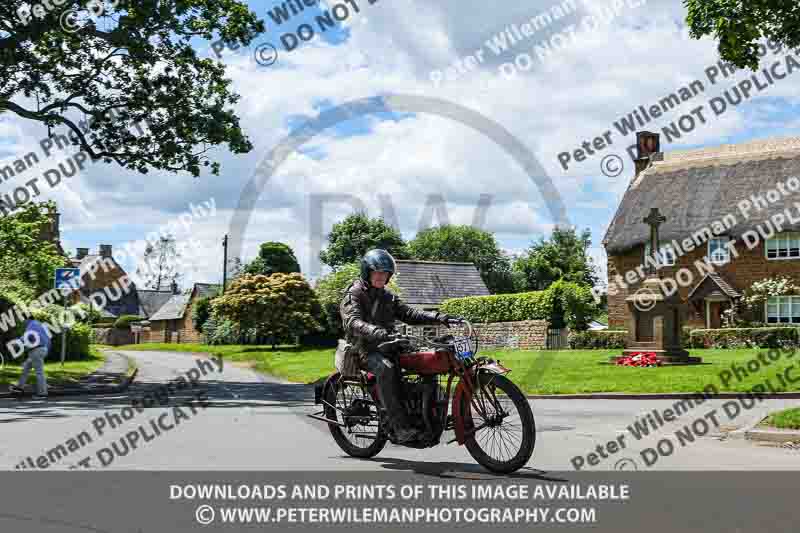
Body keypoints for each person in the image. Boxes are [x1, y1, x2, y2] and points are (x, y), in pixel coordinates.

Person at [339, 249, 462, 443]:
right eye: (377, 273)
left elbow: (410, 314)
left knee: (426, 361)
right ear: (367, 272)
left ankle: (424, 411)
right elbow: (352, 322)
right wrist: (375, 331)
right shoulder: (354, 294)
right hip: (364, 350)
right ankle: (399, 427)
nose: (381, 277)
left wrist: (439, 318)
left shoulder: (387, 296)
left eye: (385, 274)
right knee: (386, 369)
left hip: (390, 345)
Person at [10, 318, 52, 399]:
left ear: (26, 319)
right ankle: (19, 386)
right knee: (26, 367)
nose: (22, 323)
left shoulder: (32, 325)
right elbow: (46, 339)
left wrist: (17, 342)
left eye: (22, 321)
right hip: (42, 349)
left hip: (36, 350)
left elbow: (28, 336)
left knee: (39, 372)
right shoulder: (40, 324)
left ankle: (42, 393)